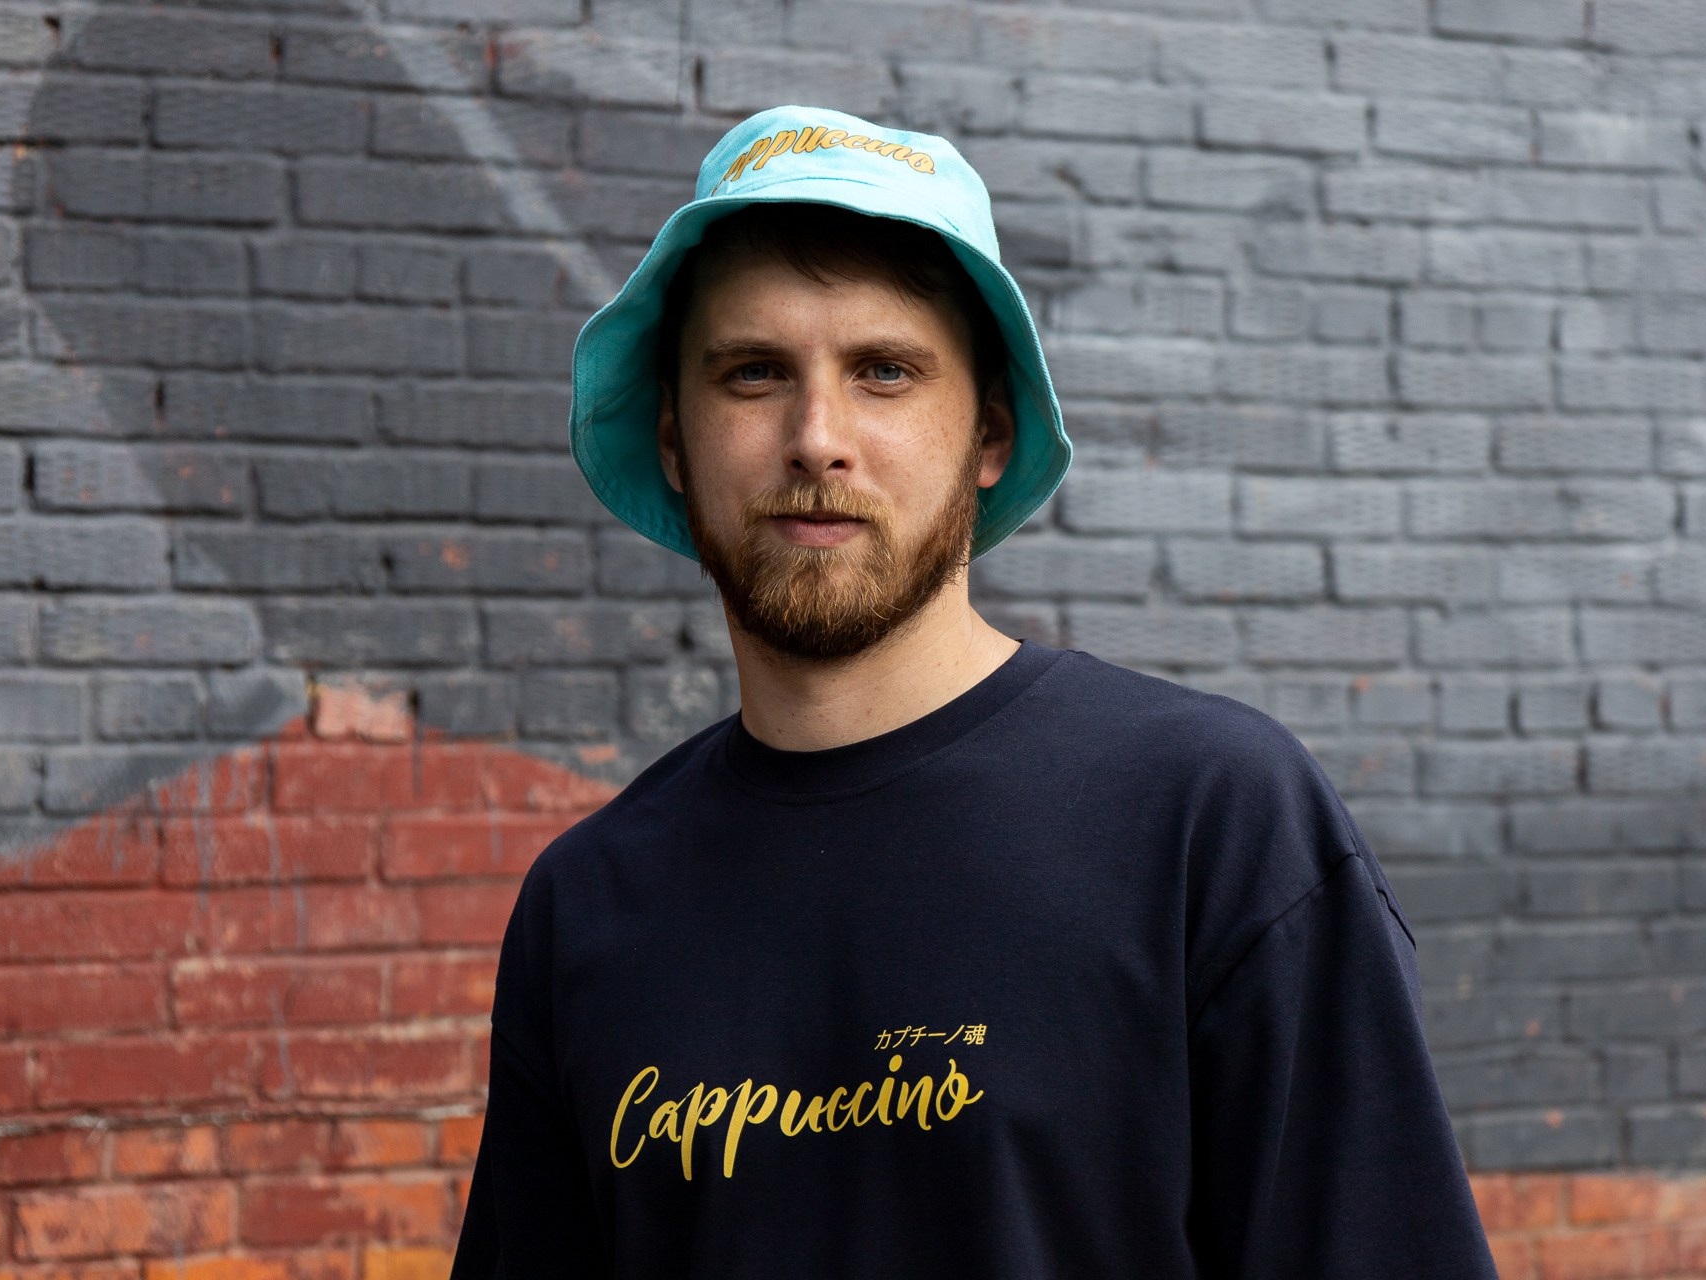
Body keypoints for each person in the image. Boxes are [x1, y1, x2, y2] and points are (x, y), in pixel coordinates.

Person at [450, 104, 1499, 1279]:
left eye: (884, 371)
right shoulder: (587, 905)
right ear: (673, 442)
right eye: (753, 373)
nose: (816, 436)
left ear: (989, 433)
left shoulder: (1212, 824)